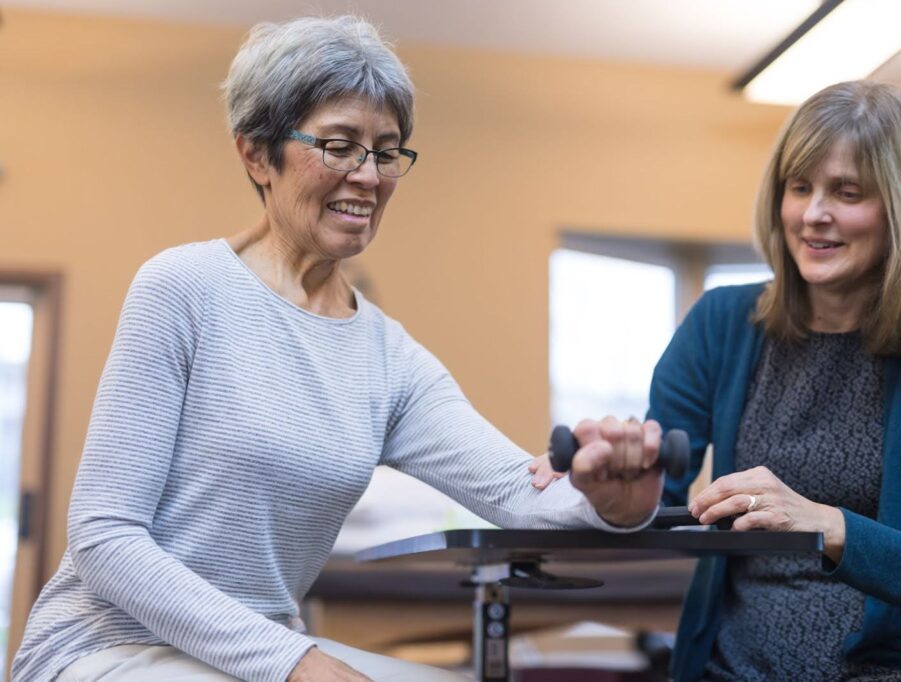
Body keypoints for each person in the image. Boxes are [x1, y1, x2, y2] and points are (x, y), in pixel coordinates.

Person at [12, 16, 664, 682]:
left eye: (385, 151)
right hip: (105, 648)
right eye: (339, 145)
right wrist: (296, 661)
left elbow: (515, 492)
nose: (369, 176)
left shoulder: (389, 358)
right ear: (256, 154)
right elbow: (105, 538)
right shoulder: (183, 289)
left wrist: (616, 499)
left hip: (260, 652)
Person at [533, 80, 901, 680]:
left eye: (846, 193)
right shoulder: (722, 324)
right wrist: (608, 495)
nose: (813, 214)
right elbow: (657, 500)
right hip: (734, 669)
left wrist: (831, 525)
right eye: (800, 187)